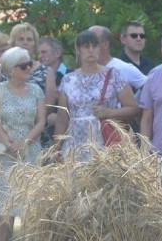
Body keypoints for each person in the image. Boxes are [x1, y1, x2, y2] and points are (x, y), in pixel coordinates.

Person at [0, 47, 46, 241]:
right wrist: (8, 142)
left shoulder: (36, 91)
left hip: (30, 153)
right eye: (23, 65)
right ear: (11, 69)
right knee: (2, 205)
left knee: (29, 204)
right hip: (4, 154)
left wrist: (26, 141)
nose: (29, 68)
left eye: (30, 64)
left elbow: (41, 121)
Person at [54, 31, 139, 161]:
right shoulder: (68, 80)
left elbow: (133, 108)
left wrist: (109, 112)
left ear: (100, 48)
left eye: (94, 46)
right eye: (86, 47)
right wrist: (56, 150)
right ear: (78, 50)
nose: (91, 50)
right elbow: (61, 119)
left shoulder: (113, 75)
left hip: (105, 142)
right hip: (75, 145)